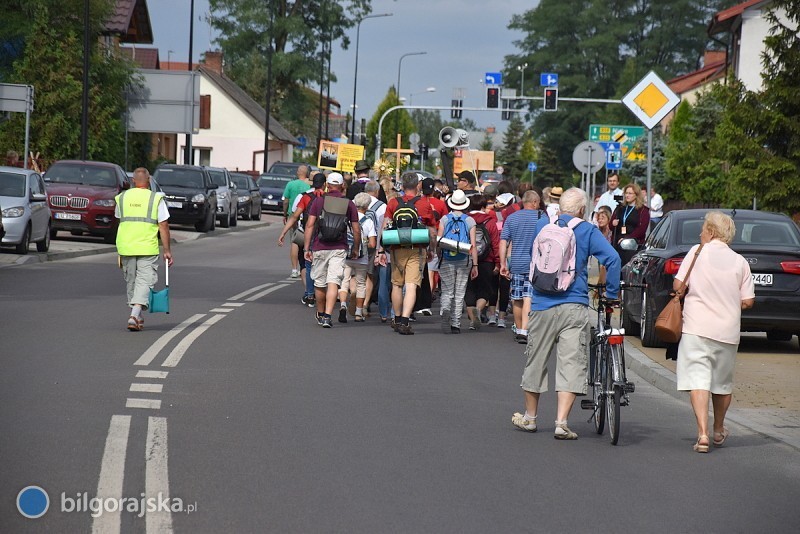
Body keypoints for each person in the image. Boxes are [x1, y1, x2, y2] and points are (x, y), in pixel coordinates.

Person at [512, 187, 621, 439]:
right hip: (574, 305)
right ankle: (562, 422)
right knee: (571, 363)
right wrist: (612, 294)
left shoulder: (543, 225)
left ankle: (530, 418)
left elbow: (535, 258)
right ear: (583, 210)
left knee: (536, 360)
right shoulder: (588, 230)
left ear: (560, 207)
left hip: (541, 303)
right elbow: (613, 259)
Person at [674, 211, 754, 453]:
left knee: (698, 380)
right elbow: (748, 301)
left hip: (696, 327)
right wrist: (729, 303)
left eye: (702, 229)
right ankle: (718, 428)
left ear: (710, 231)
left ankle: (703, 434)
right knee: (721, 384)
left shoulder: (696, 253)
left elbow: (678, 285)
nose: (700, 233)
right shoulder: (740, 261)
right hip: (727, 331)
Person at [114, 168, 173, 331]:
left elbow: (119, 219)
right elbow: (163, 225)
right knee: (144, 281)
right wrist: (167, 250)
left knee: (132, 280)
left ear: (133, 180)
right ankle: (134, 315)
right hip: (147, 246)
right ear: (149, 181)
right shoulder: (155, 198)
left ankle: (137, 315)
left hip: (126, 245)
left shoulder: (122, 197)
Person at [379, 172, 436, 335]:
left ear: (402, 186)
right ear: (418, 185)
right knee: (411, 285)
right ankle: (405, 320)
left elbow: (386, 225)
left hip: (396, 248)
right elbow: (432, 230)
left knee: (397, 284)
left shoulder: (393, 203)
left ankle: (396, 318)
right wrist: (431, 249)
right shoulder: (424, 204)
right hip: (417, 248)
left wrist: (381, 249)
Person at [303, 172, 361, 328]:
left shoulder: (319, 201)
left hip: (320, 246)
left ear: (327, 185)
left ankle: (321, 313)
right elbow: (356, 229)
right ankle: (328, 316)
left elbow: (309, 225)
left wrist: (306, 248)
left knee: (320, 283)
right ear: (342, 186)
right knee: (333, 282)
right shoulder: (349, 204)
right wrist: (356, 247)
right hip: (339, 248)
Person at [499, 190, 545, 344]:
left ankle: (519, 329)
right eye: (537, 202)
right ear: (533, 202)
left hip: (516, 263)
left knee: (517, 298)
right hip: (535, 264)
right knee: (529, 297)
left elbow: (503, 241)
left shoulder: (511, 218)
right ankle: (525, 330)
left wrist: (503, 263)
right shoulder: (542, 217)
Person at [277, 172, 326, 306]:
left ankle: (310, 295)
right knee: (323, 267)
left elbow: (294, 216)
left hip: (308, 236)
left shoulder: (305, 198)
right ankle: (323, 294)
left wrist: (283, 232)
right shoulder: (329, 198)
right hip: (325, 237)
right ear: (324, 184)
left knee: (309, 266)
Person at [437, 190, 478, 333]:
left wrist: (438, 257)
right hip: (464, 259)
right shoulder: (470, 221)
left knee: (447, 290)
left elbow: (439, 241)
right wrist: (475, 264)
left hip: (446, 259)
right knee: (460, 292)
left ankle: (445, 309)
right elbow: (473, 245)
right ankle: (456, 324)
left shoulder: (444, 219)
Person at [337, 193, 378, 323]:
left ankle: (343, 304)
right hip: (361, 258)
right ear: (366, 206)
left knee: (344, 282)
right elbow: (372, 244)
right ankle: (359, 313)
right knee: (361, 284)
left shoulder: (346, 218)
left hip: (346, 256)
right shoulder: (368, 221)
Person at [464, 195, 500, 331]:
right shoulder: (490, 222)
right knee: (485, 291)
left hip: (467, 259)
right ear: (483, 207)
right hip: (487, 260)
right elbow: (495, 243)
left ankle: (473, 319)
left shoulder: (465, 220)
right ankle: (478, 311)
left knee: (469, 290)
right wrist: (498, 262)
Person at [282, 164, 312, 278]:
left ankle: (294, 269)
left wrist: (285, 214)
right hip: (307, 217)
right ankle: (306, 266)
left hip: (293, 216)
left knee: (295, 242)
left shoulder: (290, 184)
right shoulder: (309, 185)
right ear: (307, 173)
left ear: (297, 173)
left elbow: (286, 200)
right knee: (307, 242)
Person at [610, 182, 650, 266]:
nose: (627, 195)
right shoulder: (620, 208)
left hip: (633, 246)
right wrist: (613, 223)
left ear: (636, 195)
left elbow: (641, 229)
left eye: (630, 193)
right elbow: (611, 226)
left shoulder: (643, 210)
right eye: (626, 193)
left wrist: (627, 238)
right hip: (618, 244)